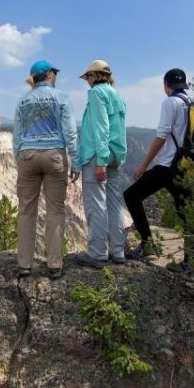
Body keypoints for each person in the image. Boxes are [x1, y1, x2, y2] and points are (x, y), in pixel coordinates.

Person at [13, 60, 80, 279]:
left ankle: (24, 264)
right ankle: (54, 265)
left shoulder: (23, 100)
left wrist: (18, 161)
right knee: (55, 210)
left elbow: (16, 136)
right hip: (54, 155)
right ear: (50, 75)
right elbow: (70, 132)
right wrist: (76, 161)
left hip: (28, 155)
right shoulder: (61, 97)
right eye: (55, 73)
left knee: (26, 211)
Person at [123, 68, 194, 267]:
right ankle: (191, 260)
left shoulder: (170, 102)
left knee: (131, 195)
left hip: (168, 166)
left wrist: (143, 166)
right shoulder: (191, 102)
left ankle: (147, 245)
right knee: (186, 213)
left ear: (166, 85)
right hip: (186, 166)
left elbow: (161, 136)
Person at [74, 60, 128, 269]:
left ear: (95, 76)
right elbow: (119, 127)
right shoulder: (117, 94)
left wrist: (100, 162)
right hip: (116, 153)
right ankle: (118, 250)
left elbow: (100, 127)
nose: (87, 81)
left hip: (98, 154)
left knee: (95, 203)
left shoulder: (97, 93)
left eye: (88, 77)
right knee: (115, 203)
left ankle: (97, 253)